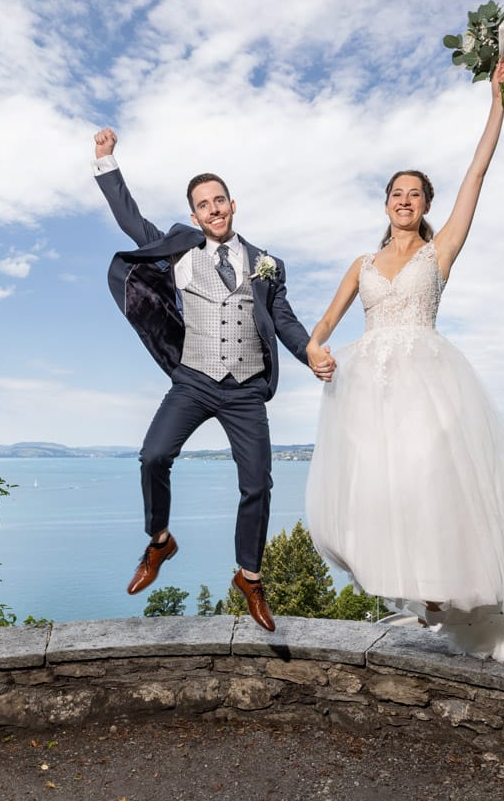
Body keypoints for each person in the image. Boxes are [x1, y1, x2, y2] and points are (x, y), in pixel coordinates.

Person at [302, 60, 504, 666]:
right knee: (385, 491)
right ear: (385, 204)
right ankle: (421, 594)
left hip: (427, 382)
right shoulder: (362, 263)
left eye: (415, 194)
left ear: (426, 204)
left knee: (433, 481)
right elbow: (326, 322)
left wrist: (497, 101)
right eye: (396, 193)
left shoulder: (441, 250)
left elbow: (478, 172)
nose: (405, 201)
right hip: (369, 390)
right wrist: (315, 347)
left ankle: (461, 604)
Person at [92, 127, 333, 632]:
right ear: (196, 214)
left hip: (246, 387)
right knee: (153, 455)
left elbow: (283, 320)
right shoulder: (181, 251)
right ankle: (160, 542)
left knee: (258, 484)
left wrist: (309, 352)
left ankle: (249, 575)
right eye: (203, 205)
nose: (213, 210)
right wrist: (107, 163)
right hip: (194, 379)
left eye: (219, 200)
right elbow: (131, 221)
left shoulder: (267, 265)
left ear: (232, 204)